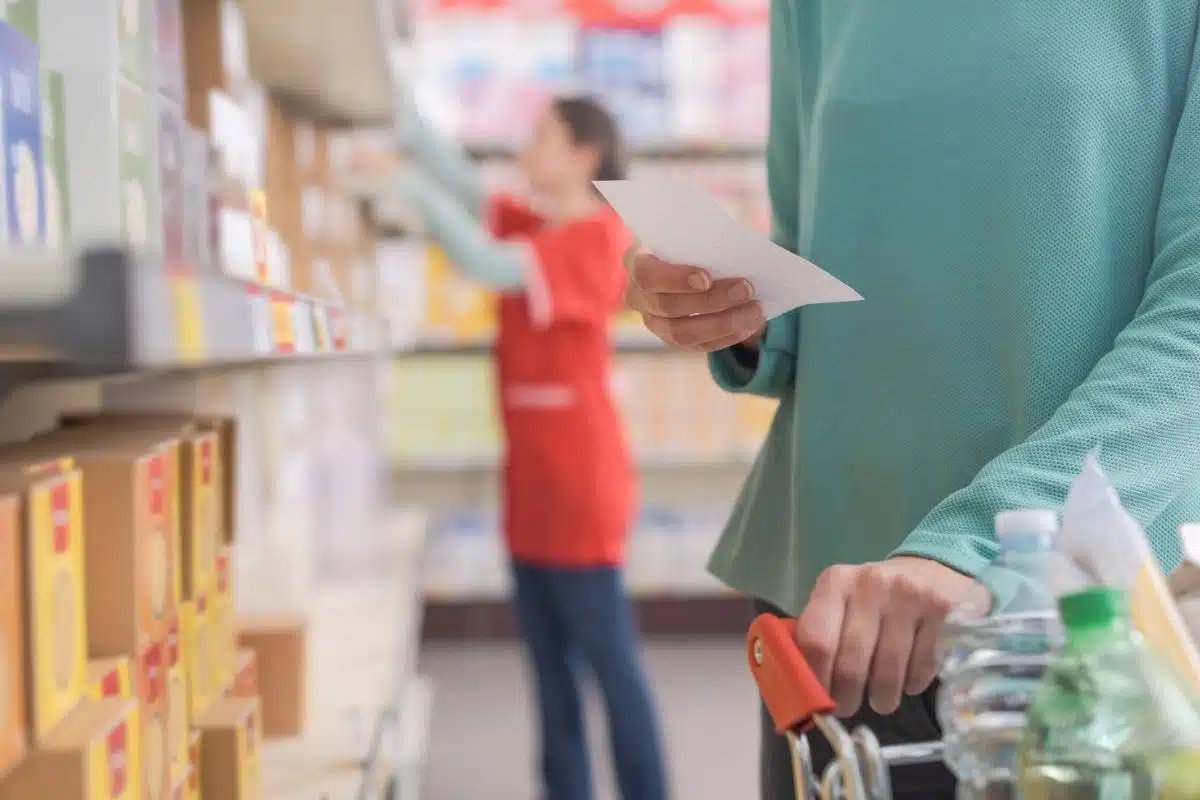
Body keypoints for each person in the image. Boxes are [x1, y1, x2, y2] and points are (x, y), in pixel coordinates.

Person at [625, 4, 1200, 799]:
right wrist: (739, 310)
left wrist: (981, 542)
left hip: (1079, 627)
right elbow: (816, 247)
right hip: (831, 618)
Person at [393, 93, 669, 800]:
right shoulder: (541, 226)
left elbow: (484, 261)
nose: (525, 148)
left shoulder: (597, 237)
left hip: (580, 490)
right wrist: (400, 113)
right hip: (532, 488)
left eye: (542, 136)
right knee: (548, 674)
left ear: (584, 155)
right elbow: (468, 187)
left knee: (611, 666)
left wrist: (402, 189)